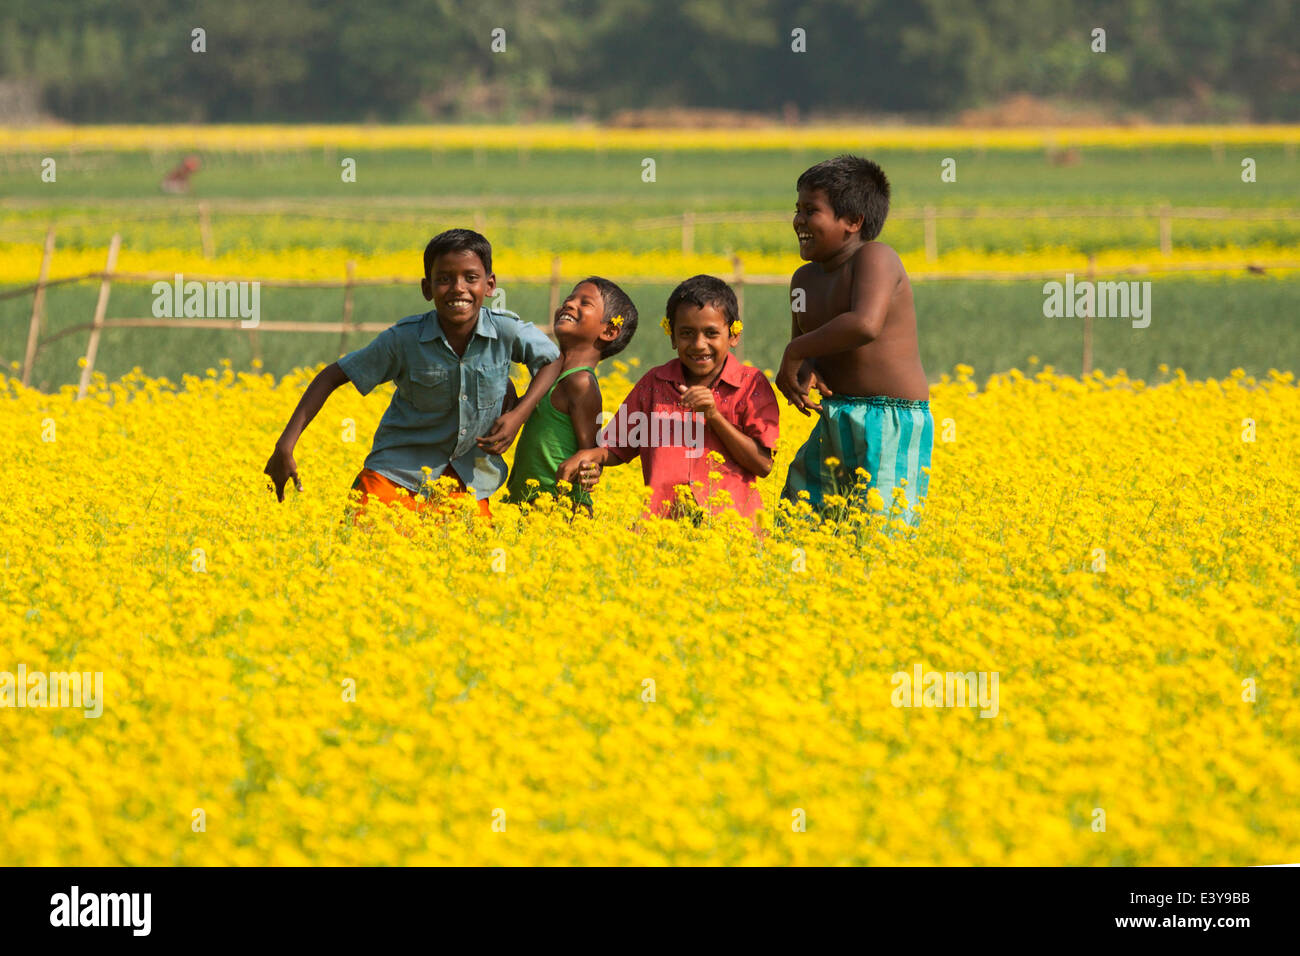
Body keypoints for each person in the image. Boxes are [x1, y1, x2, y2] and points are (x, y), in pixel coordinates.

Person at [263, 228, 561, 518]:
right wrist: (284, 446)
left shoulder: (506, 330)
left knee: (462, 559)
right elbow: (331, 376)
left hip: (469, 479)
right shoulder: (403, 340)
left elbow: (552, 360)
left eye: (471, 278)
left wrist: (518, 414)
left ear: (490, 285)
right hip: (396, 472)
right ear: (426, 289)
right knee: (367, 552)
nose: (458, 288)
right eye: (444, 279)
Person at [775, 155, 933, 518]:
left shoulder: (876, 258)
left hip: (889, 418)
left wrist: (796, 350)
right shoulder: (803, 280)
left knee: (881, 525)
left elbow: (864, 324)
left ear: (853, 221)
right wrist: (806, 369)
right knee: (802, 511)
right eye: (797, 209)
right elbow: (809, 346)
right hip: (836, 414)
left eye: (811, 210)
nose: (798, 220)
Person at [558, 275, 779, 521]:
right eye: (686, 333)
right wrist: (590, 456)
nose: (698, 344)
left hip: (731, 531)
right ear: (672, 336)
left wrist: (713, 416)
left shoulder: (750, 386)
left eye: (711, 333)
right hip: (663, 529)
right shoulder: (654, 385)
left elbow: (763, 464)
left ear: (734, 334)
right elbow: (617, 446)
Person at [503, 277, 638, 511]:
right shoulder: (549, 375)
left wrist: (588, 473)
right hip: (527, 504)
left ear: (609, 330)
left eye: (585, 303)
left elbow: (590, 455)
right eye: (569, 299)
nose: (569, 305)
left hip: (559, 508)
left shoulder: (580, 381)